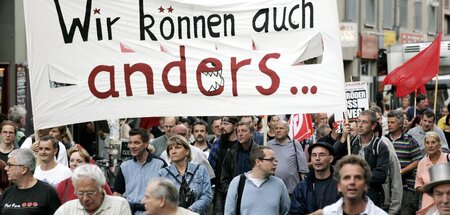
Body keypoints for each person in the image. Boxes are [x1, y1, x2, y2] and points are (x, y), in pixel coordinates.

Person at [333, 110, 389, 207]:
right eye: (359, 121)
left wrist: (358, 177)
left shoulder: (380, 146)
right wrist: (343, 138)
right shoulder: (351, 141)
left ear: (373, 126)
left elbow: (381, 175)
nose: (360, 125)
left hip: (370, 197)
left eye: (364, 122)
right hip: (350, 196)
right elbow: (332, 156)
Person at [114, 128, 167, 215]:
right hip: (129, 211)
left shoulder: (160, 164)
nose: (132, 146)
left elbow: (167, 193)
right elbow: (117, 194)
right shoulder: (125, 166)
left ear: (146, 144)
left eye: (136, 143)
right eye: (130, 143)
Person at [224, 146, 290, 215]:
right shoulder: (238, 182)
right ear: (258, 162)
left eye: (275, 160)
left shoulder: (279, 184)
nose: (275, 163)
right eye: (271, 160)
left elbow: (286, 211)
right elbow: (229, 212)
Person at [159, 135, 212, 215]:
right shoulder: (163, 173)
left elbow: (207, 196)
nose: (173, 151)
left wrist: (190, 210)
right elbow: (161, 199)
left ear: (187, 151)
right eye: (170, 148)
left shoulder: (200, 170)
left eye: (177, 147)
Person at [1, 148, 61, 214]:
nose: (6, 168)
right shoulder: (7, 193)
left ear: (24, 169)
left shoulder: (47, 192)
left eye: (10, 165)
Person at [323, 155, 387, 215]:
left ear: (366, 185)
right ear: (339, 185)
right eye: (347, 177)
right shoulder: (328, 212)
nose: (352, 182)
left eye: (358, 178)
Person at [55, 164, 131, 214]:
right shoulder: (67, 210)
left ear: (101, 188)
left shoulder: (119, 206)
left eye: (90, 193)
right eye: (80, 193)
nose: (85, 198)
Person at [386, 110, 422, 214]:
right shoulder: (384, 140)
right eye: (388, 122)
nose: (389, 125)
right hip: (389, 185)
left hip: (406, 186)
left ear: (400, 124)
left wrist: (401, 171)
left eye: (392, 122)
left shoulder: (409, 140)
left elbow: (417, 160)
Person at [290, 142, 339, 215]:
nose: (317, 158)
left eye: (322, 155)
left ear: (330, 159)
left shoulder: (341, 184)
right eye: (314, 155)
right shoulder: (302, 187)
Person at [267, 120, 308, 195]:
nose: (278, 130)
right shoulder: (268, 145)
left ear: (287, 130)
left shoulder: (295, 144)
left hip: (292, 191)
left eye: (281, 128)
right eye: (276, 128)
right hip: (273, 190)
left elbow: (303, 169)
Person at [208, 116, 239, 214]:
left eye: (226, 124)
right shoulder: (217, 145)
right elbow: (211, 169)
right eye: (221, 124)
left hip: (238, 188)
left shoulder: (241, 144)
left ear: (235, 126)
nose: (222, 126)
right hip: (220, 189)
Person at [221, 121, 259, 196]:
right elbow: (225, 176)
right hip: (235, 194)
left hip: (254, 194)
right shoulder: (231, 151)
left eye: (244, 131)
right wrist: (229, 191)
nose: (240, 134)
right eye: (238, 131)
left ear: (251, 133)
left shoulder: (258, 151)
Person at [415, 131, 450, 210]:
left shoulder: (448, 159)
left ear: (439, 144)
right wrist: (430, 188)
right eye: (427, 143)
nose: (430, 145)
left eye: (433, 142)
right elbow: (418, 186)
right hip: (428, 207)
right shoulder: (421, 163)